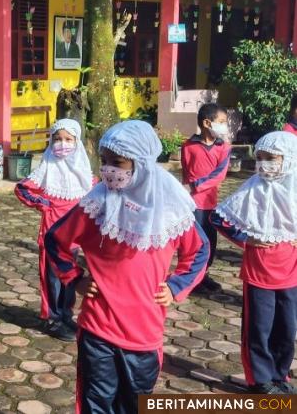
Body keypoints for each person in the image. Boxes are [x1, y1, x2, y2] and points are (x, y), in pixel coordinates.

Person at [45, 120, 209, 413]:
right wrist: (74, 278)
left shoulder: (171, 209)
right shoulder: (96, 206)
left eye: (117, 163)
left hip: (145, 334)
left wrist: (175, 286)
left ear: (143, 163)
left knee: (134, 404)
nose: (109, 170)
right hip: (98, 329)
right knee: (97, 403)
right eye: (105, 162)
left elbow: (199, 251)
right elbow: (55, 240)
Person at [210, 131, 297, 395]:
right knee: (259, 328)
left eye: (270, 158)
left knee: (286, 328)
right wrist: (246, 240)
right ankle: (260, 381)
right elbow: (219, 218)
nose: (263, 164)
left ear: (289, 159)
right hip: (259, 271)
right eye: (259, 158)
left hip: (290, 273)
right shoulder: (253, 188)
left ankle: (278, 375)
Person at [14, 119, 94, 342]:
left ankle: (66, 315)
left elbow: (94, 194)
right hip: (52, 236)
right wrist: (44, 205)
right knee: (52, 279)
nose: (63, 144)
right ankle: (52, 319)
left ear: (77, 142)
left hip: (75, 238)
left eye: (69, 139)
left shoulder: (84, 173)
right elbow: (22, 189)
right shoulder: (46, 170)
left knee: (71, 277)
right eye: (58, 139)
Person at [180, 103, 232, 293]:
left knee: (210, 241)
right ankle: (190, 276)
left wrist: (196, 185)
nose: (224, 126)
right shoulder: (188, 146)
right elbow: (187, 171)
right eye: (221, 122)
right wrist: (187, 192)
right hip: (192, 204)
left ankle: (204, 275)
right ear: (206, 123)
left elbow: (219, 174)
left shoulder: (224, 148)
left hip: (210, 204)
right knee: (192, 241)